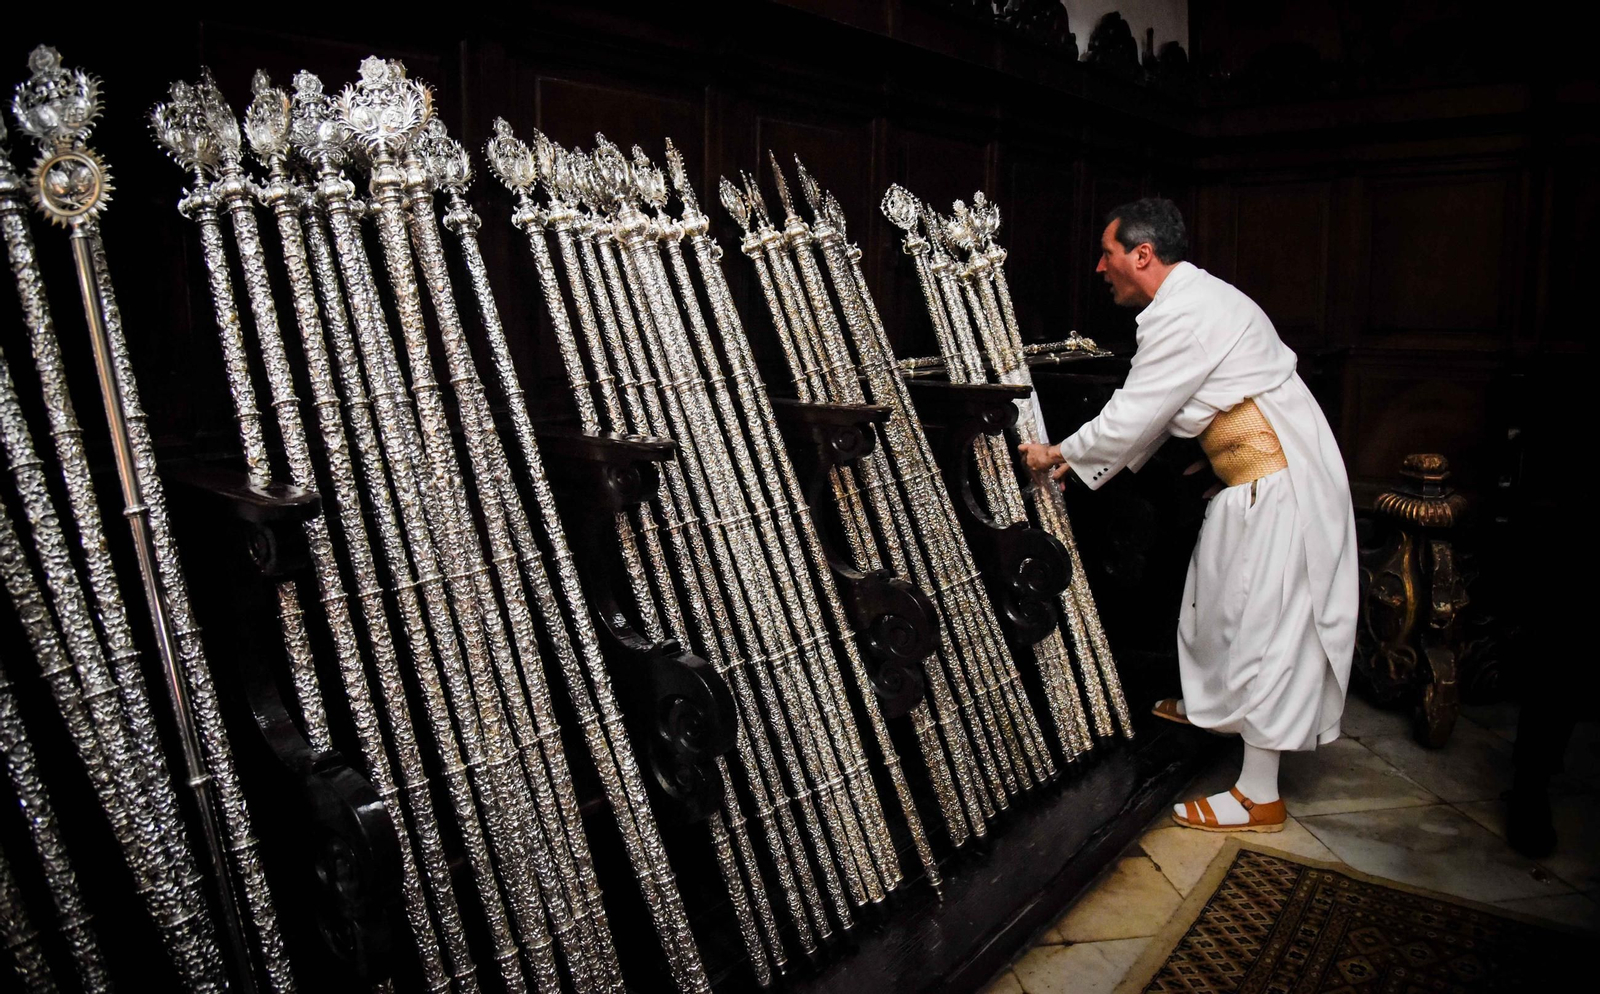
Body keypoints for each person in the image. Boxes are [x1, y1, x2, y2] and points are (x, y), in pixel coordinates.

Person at [1019, 198, 1357, 833]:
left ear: (1142, 255)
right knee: (1221, 608)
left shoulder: (1187, 314)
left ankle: (1259, 795)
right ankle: (1215, 707)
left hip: (1277, 486)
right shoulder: (1191, 301)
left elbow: (1135, 411)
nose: (1100, 267)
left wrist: (1057, 451)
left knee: (1265, 626)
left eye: (1109, 253)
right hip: (1253, 475)